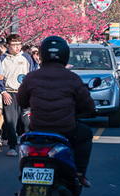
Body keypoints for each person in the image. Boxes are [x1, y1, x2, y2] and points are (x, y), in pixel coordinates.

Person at [16, 36, 95, 187]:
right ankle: (79, 173)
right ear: (65, 55)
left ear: (42, 54)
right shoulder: (73, 78)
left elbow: (21, 101)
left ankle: (25, 173)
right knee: (86, 135)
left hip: (37, 128)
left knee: (24, 143)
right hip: (66, 129)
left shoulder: (31, 77)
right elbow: (88, 105)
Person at [0, 34, 33, 156]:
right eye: (14, 45)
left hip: (24, 93)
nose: (17, 47)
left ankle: (26, 145)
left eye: (19, 44)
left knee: (26, 122)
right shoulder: (3, 59)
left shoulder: (26, 57)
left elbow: (32, 74)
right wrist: (3, 92)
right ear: (8, 46)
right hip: (9, 93)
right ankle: (12, 146)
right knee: (10, 121)